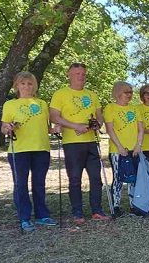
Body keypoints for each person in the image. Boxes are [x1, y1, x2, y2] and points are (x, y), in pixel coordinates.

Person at [50, 63, 110, 223]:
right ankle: (77, 213)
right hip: (72, 143)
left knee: (96, 178)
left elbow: (99, 116)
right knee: (75, 178)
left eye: (83, 73)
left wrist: (97, 123)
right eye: (77, 73)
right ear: (68, 74)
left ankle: (97, 210)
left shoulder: (92, 94)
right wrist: (75, 126)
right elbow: (54, 116)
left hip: (91, 141)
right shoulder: (60, 94)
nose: (81, 76)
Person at [1, 71, 60, 231]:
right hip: (19, 150)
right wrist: (8, 128)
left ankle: (42, 215)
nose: (26, 86)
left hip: (41, 148)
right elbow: (4, 127)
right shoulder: (10, 104)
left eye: (30, 83)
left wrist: (54, 129)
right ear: (17, 86)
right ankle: (25, 217)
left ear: (34, 85)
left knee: (39, 183)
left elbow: (44, 127)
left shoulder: (41, 104)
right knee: (21, 185)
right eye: (23, 83)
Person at [104, 81, 145, 216]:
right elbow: (110, 129)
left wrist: (138, 146)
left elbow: (140, 129)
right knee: (118, 178)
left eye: (131, 92)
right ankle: (116, 205)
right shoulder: (110, 108)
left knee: (133, 178)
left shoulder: (135, 109)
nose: (129, 95)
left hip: (135, 149)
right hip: (118, 151)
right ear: (118, 93)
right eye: (126, 92)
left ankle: (134, 205)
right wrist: (120, 147)